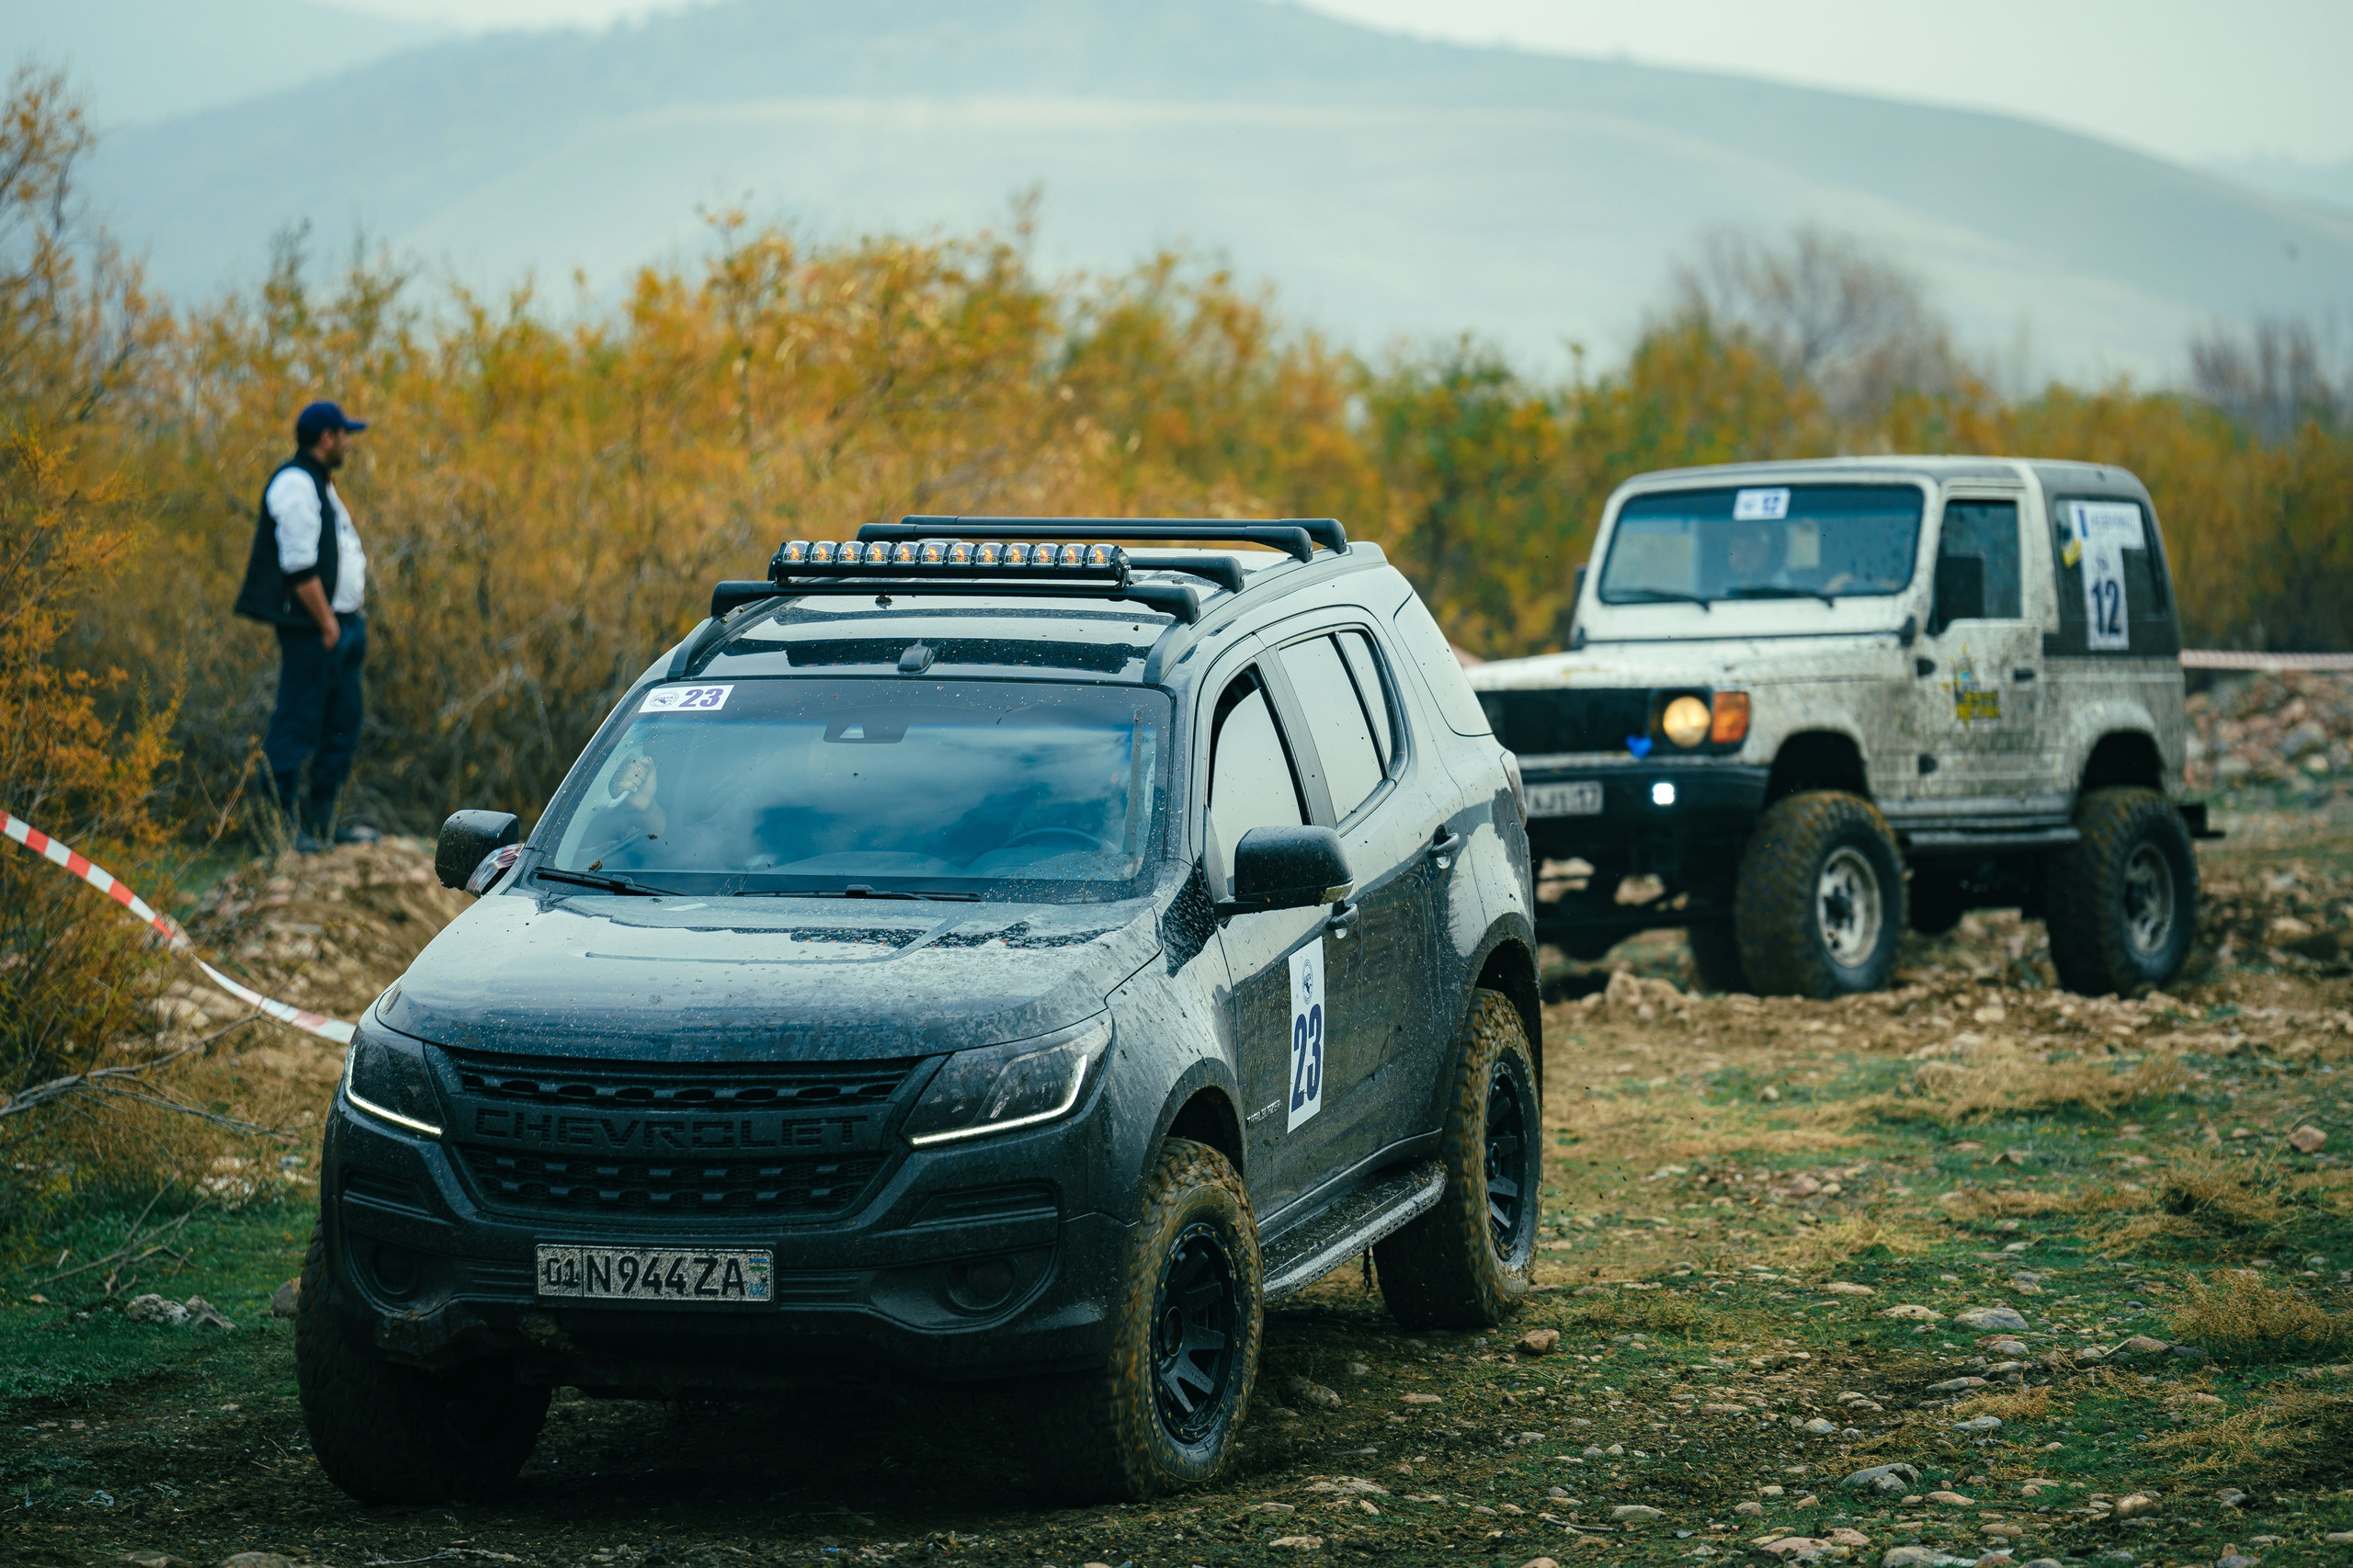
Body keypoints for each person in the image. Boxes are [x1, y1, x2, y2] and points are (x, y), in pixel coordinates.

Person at [233, 401, 378, 852]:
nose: (349, 443)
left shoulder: (320, 482)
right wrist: (327, 625)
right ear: (326, 438)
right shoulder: (295, 482)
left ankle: (321, 825)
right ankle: (278, 832)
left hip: (342, 625)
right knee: (297, 722)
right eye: (344, 435)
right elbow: (298, 567)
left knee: (341, 723)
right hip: (314, 629)